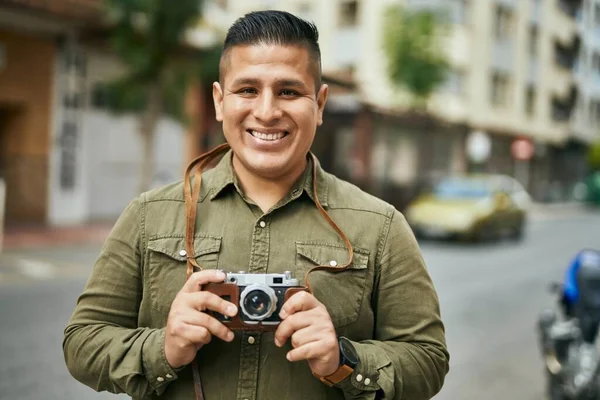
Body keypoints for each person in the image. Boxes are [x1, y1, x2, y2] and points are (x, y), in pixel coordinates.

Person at [63, 10, 449, 400]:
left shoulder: (380, 226)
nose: (266, 111)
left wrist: (343, 359)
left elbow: (428, 360)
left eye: (289, 91)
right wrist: (164, 348)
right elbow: (82, 343)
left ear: (319, 103)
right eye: (247, 89)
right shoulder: (149, 215)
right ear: (219, 100)